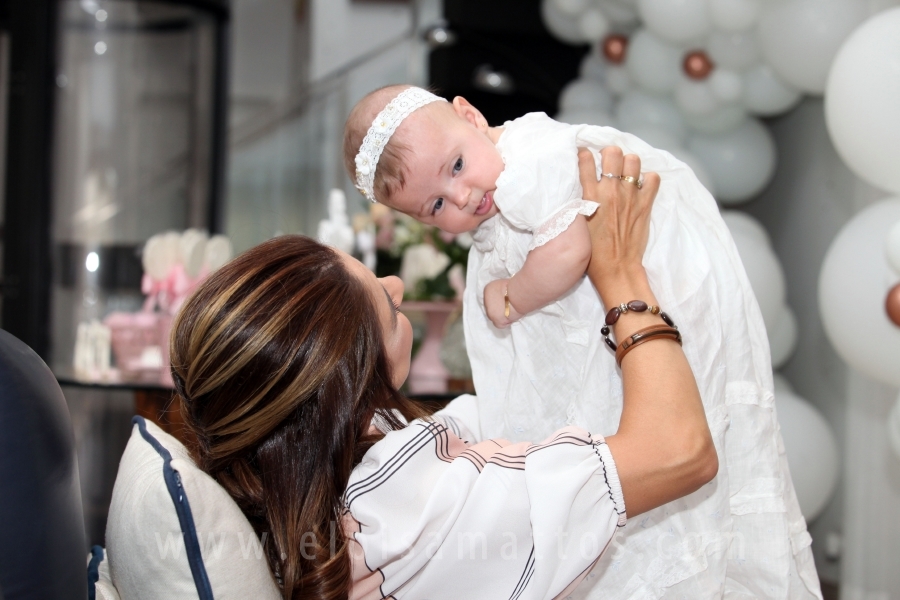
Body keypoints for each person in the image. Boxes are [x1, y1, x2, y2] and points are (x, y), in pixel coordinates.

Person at [342, 85, 822, 598]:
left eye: (456, 166)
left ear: (471, 115)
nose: (460, 197)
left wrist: (510, 297)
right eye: (436, 205)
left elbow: (572, 250)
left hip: (659, 288)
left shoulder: (529, 162)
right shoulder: (494, 186)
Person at [170, 151, 716, 599]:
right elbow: (680, 452)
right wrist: (621, 276)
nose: (398, 286)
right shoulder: (409, 514)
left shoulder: (301, 475)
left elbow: (476, 426)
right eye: (386, 306)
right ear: (348, 390)